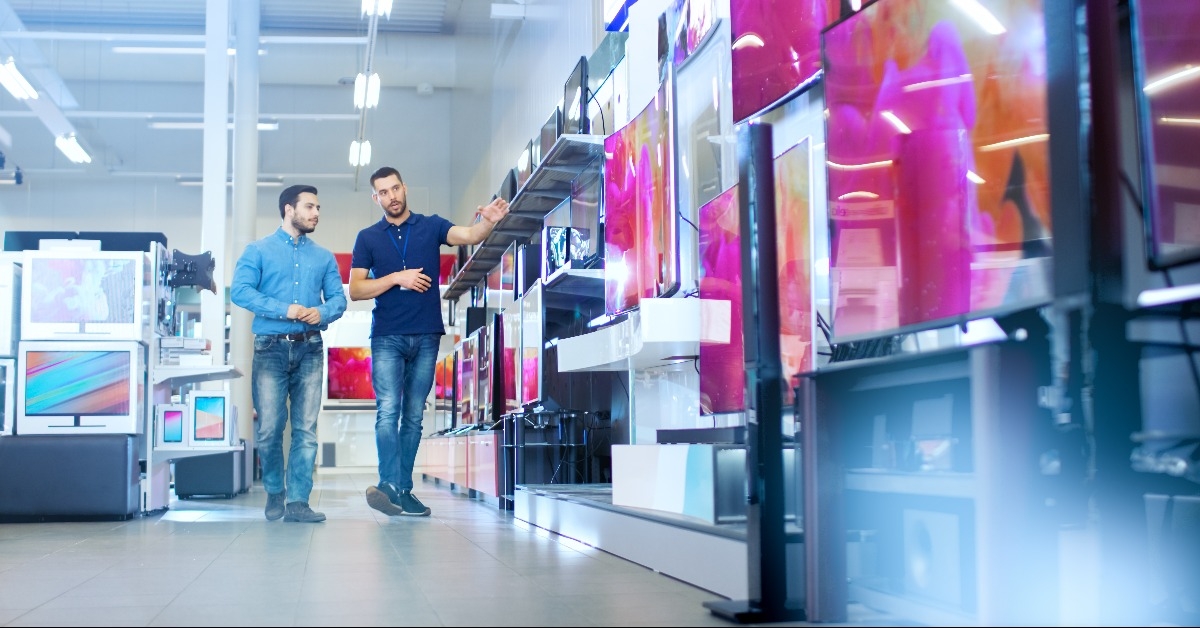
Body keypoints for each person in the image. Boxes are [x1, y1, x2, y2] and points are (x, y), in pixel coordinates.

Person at [350, 166, 509, 517]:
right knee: (388, 411)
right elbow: (357, 289)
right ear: (375, 198)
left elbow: (469, 234)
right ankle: (390, 483)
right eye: (383, 192)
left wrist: (490, 222)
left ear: (404, 189)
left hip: (426, 335)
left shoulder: (431, 225)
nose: (391, 196)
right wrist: (396, 278)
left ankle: (401, 490)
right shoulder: (368, 238)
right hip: (387, 336)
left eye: (395, 189)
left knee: (413, 418)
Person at [231, 184, 347, 523]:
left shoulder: (323, 257)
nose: (316, 214)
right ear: (288, 209)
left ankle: (298, 501)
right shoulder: (258, 251)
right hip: (270, 348)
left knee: (305, 429)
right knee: (268, 428)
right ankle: (274, 491)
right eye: (310, 207)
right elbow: (240, 292)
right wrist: (288, 310)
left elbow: (338, 300)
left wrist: (321, 313)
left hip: (310, 348)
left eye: (318, 207)